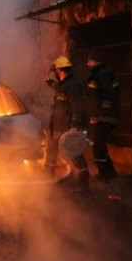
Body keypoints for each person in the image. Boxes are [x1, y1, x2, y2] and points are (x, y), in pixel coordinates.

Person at [45, 55, 90, 191]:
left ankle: (83, 184)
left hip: (67, 128)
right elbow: (61, 90)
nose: (55, 74)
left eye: (56, 72)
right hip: (57, 128)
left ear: (59, 71)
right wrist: (52, 84)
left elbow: (77, 107)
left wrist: (74, 127)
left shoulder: (73, 86)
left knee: (74, 154)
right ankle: (47, 181)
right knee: (51, 154)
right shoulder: (64, 85)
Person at [86, 52, 120, 180]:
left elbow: (96, 98)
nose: (87, 64)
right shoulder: (107, 74)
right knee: (101, 145)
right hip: (109, 115)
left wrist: (94, 116)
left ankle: (104, 176)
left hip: (104, 116)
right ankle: (110, 173)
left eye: (89, 61)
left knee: (98, 147)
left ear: (96, 61)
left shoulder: (99, 76)